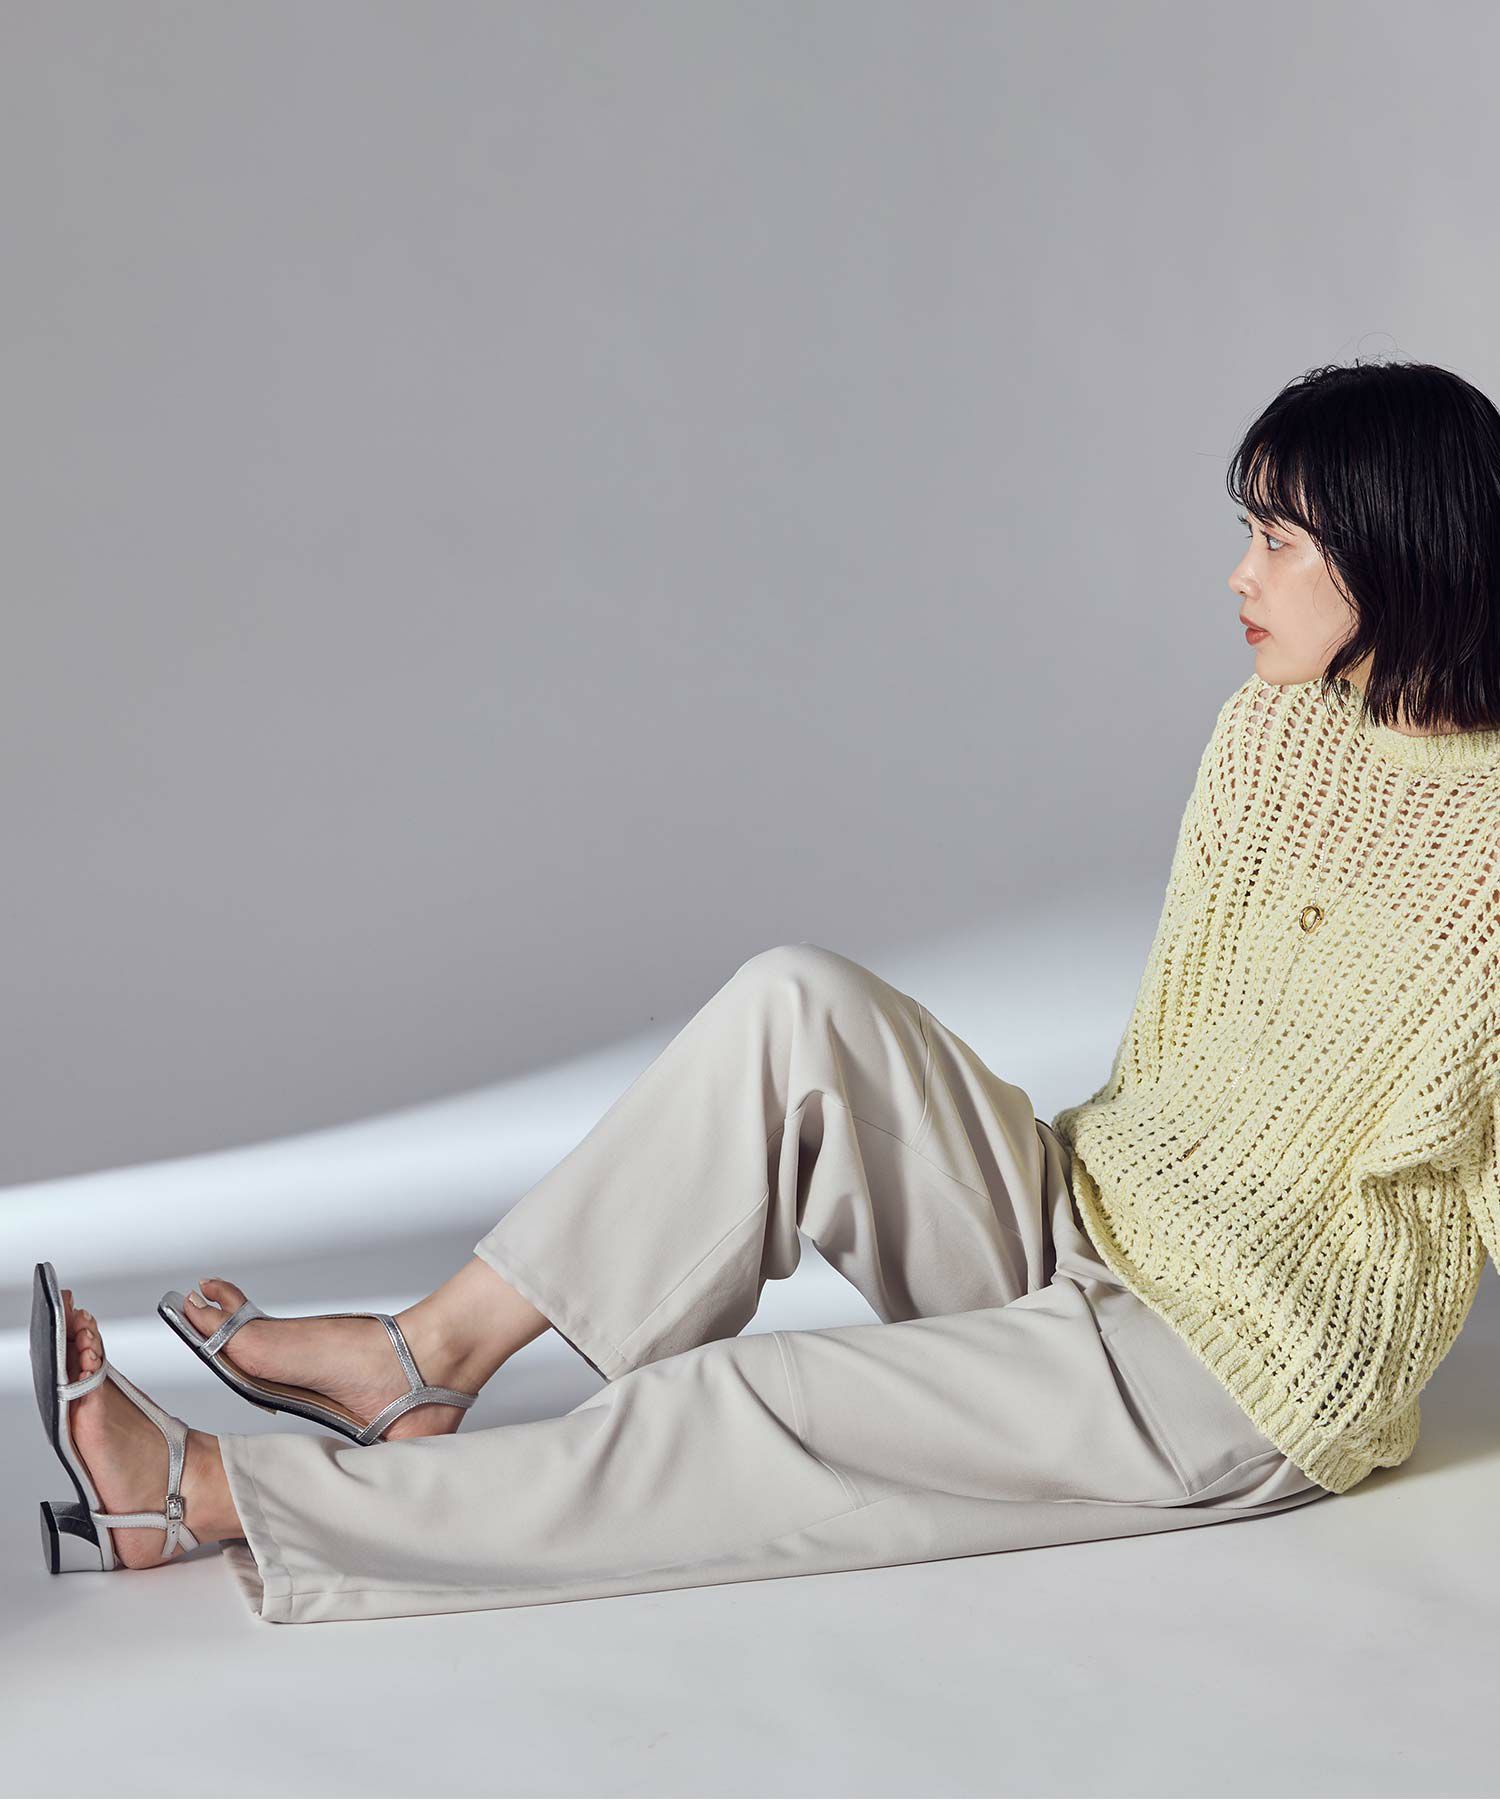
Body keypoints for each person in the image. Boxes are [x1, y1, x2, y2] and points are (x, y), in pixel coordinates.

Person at [35, 357, 1500, 1626]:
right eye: (1246, 532)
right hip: (1093, 1217)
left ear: (1401, 552)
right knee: (796, 1006)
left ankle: (209, 1493)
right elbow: (1189, 1049)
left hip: (1226, 1371)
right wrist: (1068, 1217)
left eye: (1278, 540)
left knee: (744, 1405)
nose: (1240, 575)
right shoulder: (1274, 732)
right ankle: (423, 1357)